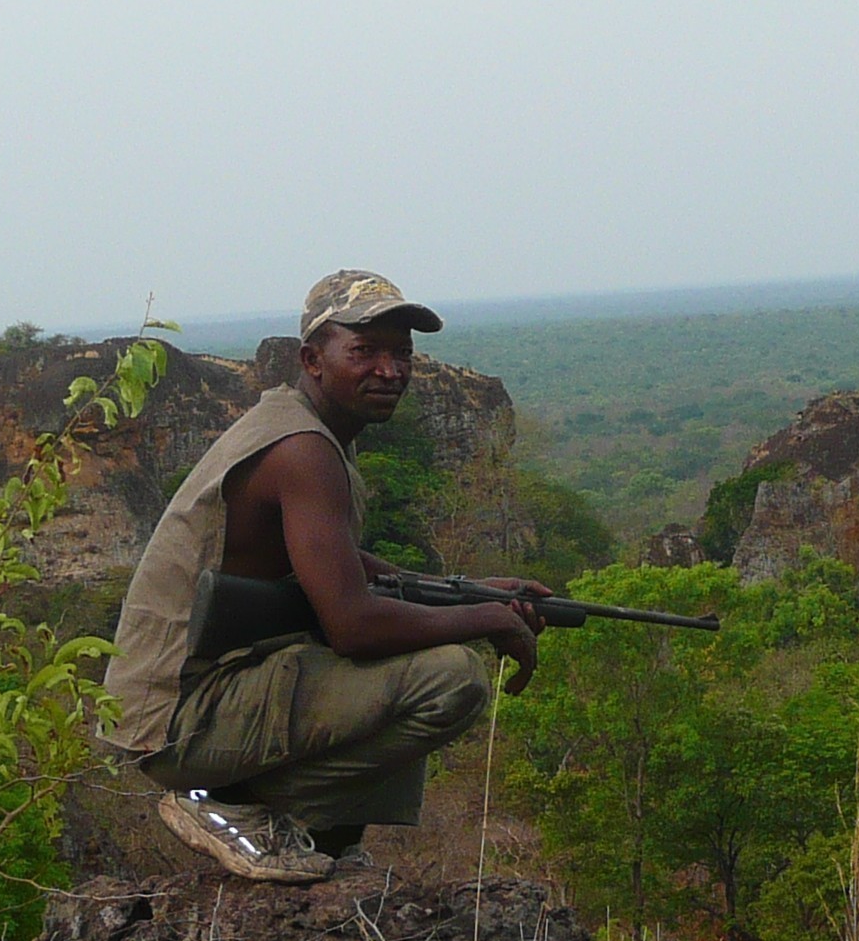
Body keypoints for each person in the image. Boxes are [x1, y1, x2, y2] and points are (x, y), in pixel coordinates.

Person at [102, 270, 545, 882]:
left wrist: (468, 591)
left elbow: (341, 566)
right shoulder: (304, 450)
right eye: (364, 351)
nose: (389, 370)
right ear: (313, 358)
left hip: (196, 700)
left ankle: (322, 832)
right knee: (451, 678)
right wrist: (486, 621)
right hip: (181, 718)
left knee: (413, 652)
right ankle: (237, 806)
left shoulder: (310, 428)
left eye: (401, 354)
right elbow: (353, 626)